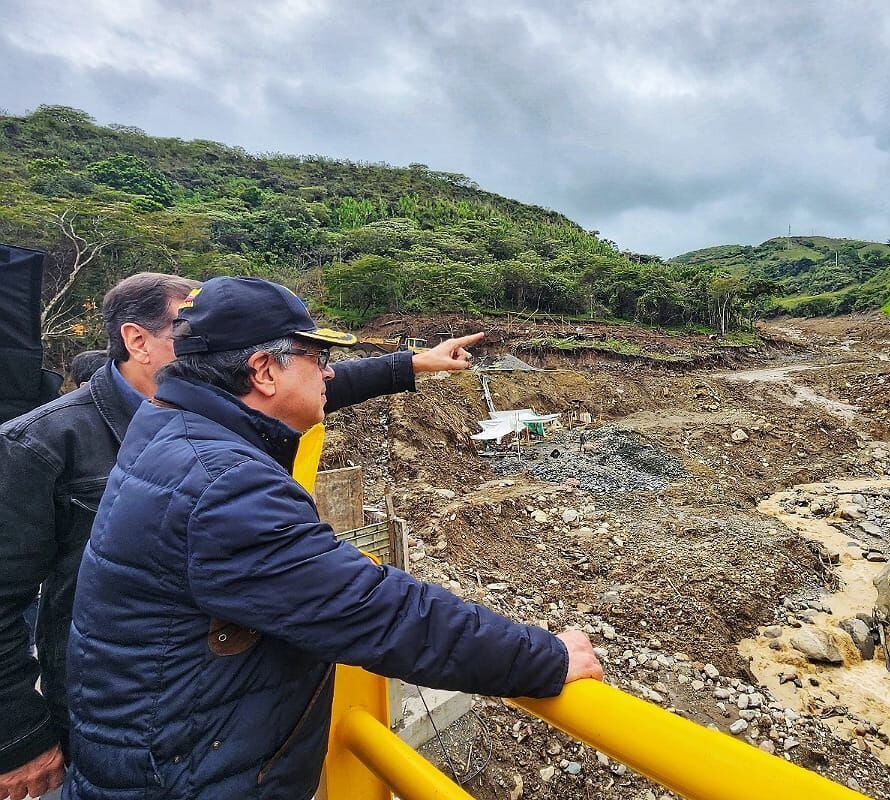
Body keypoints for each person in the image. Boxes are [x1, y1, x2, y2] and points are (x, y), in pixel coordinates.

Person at [62, 276, 601, 799]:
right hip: (186, 776)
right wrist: (544, 658)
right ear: (263, 371)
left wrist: (410, 363)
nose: (328, 374)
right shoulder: (225, 485)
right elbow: (375, 609)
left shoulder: (171, 422)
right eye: (317, 359)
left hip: (160, 750)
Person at [0, 272, 476, 800]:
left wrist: (412, 362)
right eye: (190, 325)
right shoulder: (44, 442)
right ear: (137, 339)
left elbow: (303, 384)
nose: (208, 335)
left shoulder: (198, 414)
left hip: (216, 717)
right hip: (112, 712)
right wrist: (20, 738)